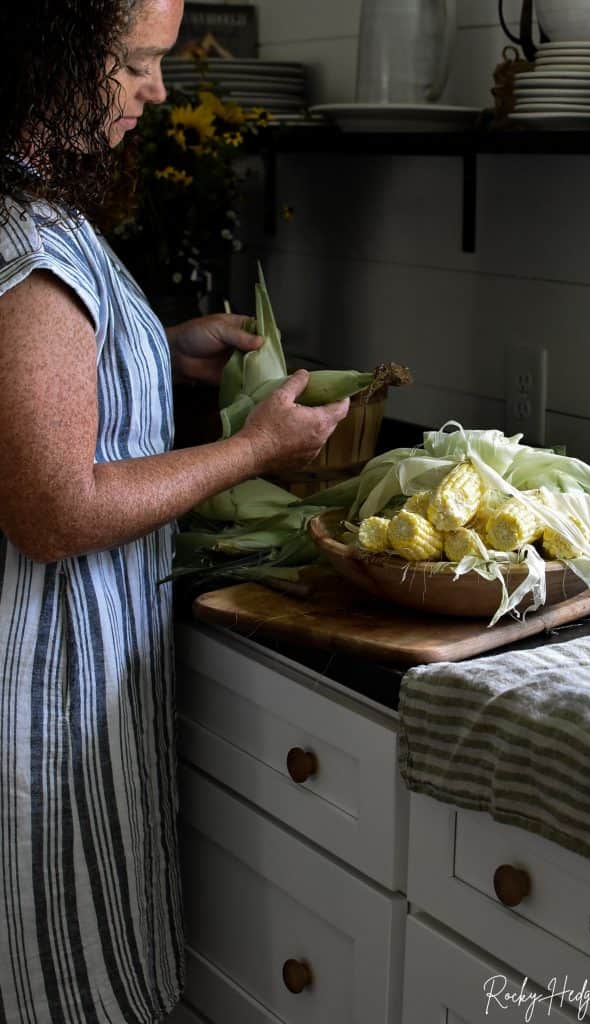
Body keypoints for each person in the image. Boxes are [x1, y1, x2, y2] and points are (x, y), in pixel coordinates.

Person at [0, 1, 349, 1021]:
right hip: (39, 704)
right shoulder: (30, 237)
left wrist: (158, 343)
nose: (158, 89)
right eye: (136, 63)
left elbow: (43, 388)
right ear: (46, 59)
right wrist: (254, 448)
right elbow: (54, 511)